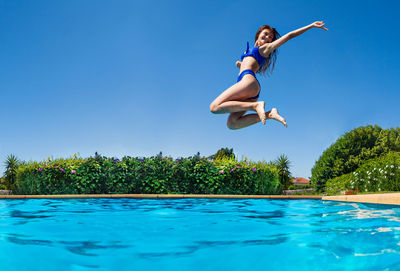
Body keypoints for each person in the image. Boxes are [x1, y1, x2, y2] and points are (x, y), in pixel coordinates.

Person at [209, 21, 328, 130]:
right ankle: (269, 114)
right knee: (232, 124)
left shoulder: (264, 49)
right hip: (249, 89)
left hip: (248, 81)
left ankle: (255, 106)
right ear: (258, 34)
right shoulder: (250, 51)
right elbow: (249, 64)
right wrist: (240, 64)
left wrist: (311, 26)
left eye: (270, 38)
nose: (267, 38)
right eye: (265, 34)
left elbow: (289, 35)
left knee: (214, 107)